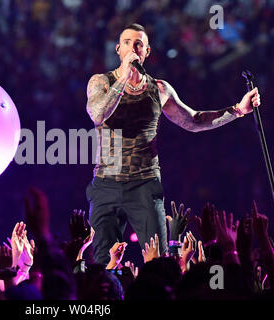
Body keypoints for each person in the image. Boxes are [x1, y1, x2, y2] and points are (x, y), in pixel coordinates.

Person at [85, 23, 261, 266]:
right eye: (127, 42)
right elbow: (97, 113)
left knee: (159, 262)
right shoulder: (101, 82)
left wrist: (238, 110)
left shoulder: (159, 89)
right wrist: (124, 78)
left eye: (138, 44)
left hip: (144, 183)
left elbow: (194, 121)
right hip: (106, 182)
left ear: (147, 51)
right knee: (102, 263)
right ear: (118, 49)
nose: (132, 48)